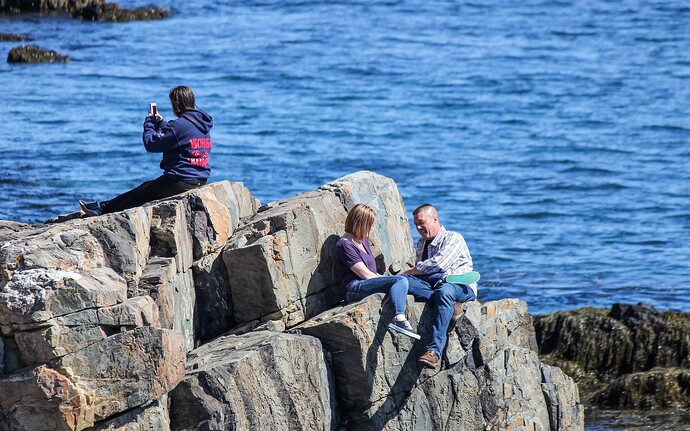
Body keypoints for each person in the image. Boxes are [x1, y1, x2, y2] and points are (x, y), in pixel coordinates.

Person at [79, 85, 213, 216]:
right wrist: (162, 125)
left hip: (181, 180)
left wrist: (149, 122)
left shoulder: (179, 125)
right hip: (199, 178)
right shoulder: (200, 123)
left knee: (141, 194)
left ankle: (104, 211)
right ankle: (103, 206)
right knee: (146, 187)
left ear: (175, 103)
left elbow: (151, 143)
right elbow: (179, 138)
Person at [402, 204, 476, 369]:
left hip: (459, 285)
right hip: (434, 284)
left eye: (422, 223)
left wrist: (411, 271)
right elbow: (423, 273)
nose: (419, 228)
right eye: (415, 225)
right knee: (405, 283)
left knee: (443, 288)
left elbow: (439, 264)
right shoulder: (422, 243)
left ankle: (433, 352)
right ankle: (453, 306)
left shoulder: (453, 237)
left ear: (435, 219)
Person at [334, 204, 420, 340]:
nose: (372, 228)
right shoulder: (344, 245)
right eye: (370, 225)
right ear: (360, 223)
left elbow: (372, 272)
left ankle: (433, 297)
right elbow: (366, 275)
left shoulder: (363, 240)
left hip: (366, 282)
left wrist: (386, 279)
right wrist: (388, 280)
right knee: (400, 280)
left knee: (408, 280)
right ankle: (398, 318)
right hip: (354, 288)